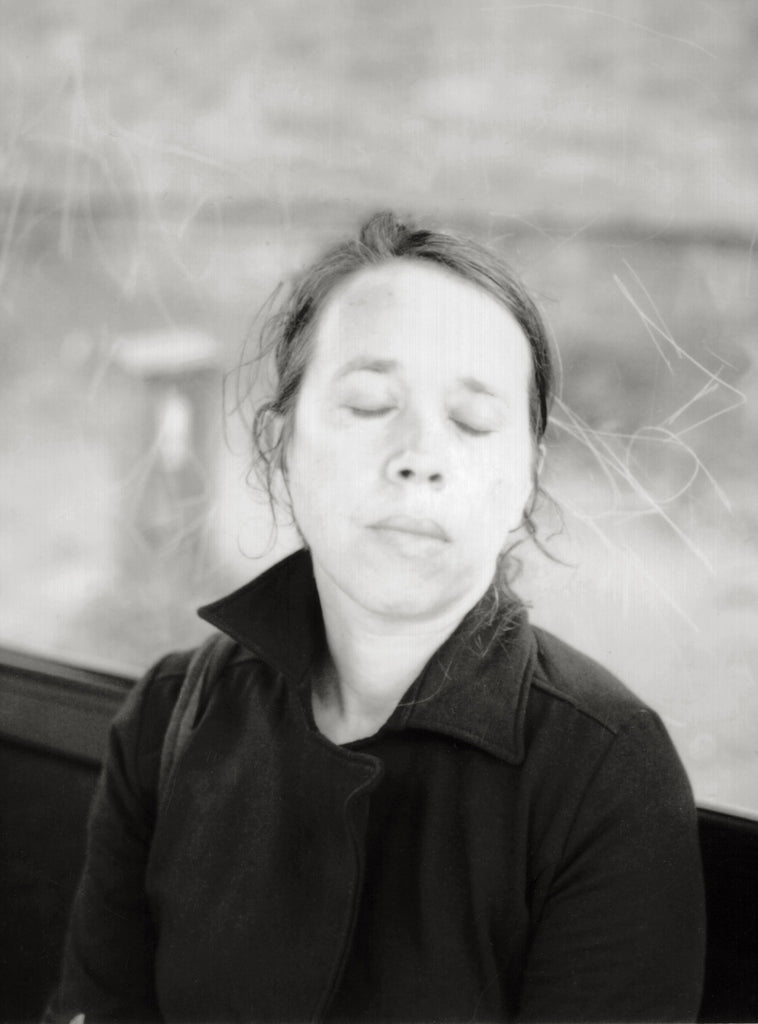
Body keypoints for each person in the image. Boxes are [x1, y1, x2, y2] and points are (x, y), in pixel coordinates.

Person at [46, 212, 705, 1022]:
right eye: (368, 403)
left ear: (526, 481)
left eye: (472, 421)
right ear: (279, 445)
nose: (419, 456)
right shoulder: (166, 716)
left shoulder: (607, 776)